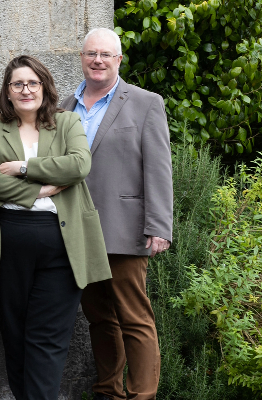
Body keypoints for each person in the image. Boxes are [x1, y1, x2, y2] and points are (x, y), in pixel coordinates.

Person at [0, 55, 112, 400]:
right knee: (15, 337)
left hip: (61, 244)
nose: (26, 90)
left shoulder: (67, 122)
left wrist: (22, 167)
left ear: (44, 86)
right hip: (6, 245)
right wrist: (42, 189)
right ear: (8, 91)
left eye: (33, 83)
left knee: (47, 340)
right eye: (18, 84)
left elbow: (78, 164)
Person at [60, 28, 173, 400]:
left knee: (134, 318)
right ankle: (108, 392)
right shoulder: (64, 107)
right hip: (78, 231)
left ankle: (142, 395)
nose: (98, 60)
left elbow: (158, 169)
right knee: (99, 319)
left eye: (106, 55)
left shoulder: (144, 103)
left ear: (119, 60)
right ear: (81, 58)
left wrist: (159, 226)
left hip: (125, 230)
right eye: (91, 53)